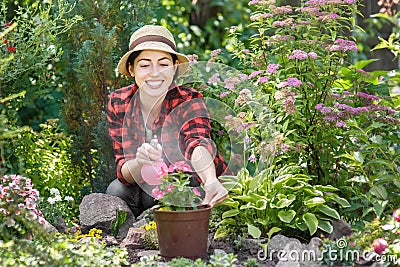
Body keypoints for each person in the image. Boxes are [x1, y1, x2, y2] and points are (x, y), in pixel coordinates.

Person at [106, 25, 229, 217]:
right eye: (145, 65)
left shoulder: (188, 100)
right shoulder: (119, 102)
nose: (155, 73)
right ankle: (129, 239)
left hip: (184, 180)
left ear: (174, 69)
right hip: (141, 179)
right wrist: (139, 161)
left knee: (158, 195)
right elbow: (124, 170)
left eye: (163, 64)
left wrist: (211, 180)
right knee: (116, 192)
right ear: (131, 69)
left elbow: (197, 144)